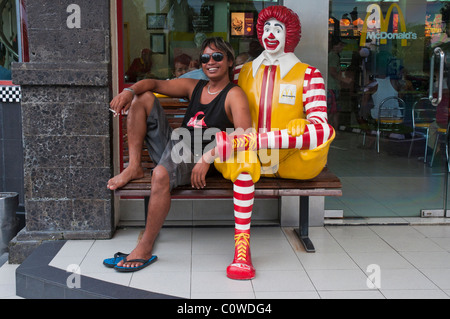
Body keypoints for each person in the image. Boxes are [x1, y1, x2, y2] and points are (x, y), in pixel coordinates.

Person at [105, 37, 252, 272]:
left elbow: (245, 137)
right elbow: (153, 83)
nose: (210, 62)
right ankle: (134, 166)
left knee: (161, 173)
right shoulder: (195, 88)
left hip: (197, 157)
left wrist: (208, 157)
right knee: (141, 98)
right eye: (205, 58)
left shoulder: (234, 95)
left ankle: (144, 246)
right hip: (176, 146)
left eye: (217, 57)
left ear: (230, 61)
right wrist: (128, 91)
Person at [213, 5, 335, 280]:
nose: (270, 33)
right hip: (249, 155)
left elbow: (321, 130)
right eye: (266, 27)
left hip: (291, 160)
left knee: (316, 133)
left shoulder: (309, 75)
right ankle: (242, 249)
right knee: (242, 160)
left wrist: (273, 137)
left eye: (277, 28)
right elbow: (207, 93)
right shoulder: (240, 72)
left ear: (289, 34)